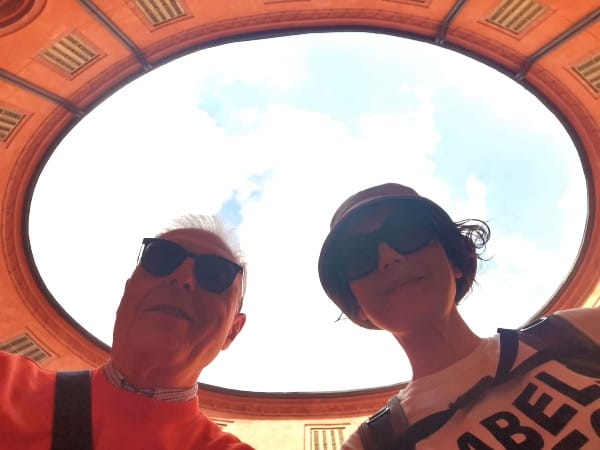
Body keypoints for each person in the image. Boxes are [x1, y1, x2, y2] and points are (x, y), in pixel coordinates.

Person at [318, 183, 600, 450]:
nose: (388, 257)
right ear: (358, 306)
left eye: (407, 233)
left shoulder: (577, 329)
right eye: (358, 256)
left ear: (454, 262)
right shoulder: (371, 444)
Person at [0, 214, 255, 449]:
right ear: (128, 292)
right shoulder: (6, 381)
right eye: (161, 259)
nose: (183, 277)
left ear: (232, 331)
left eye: (215, 274)